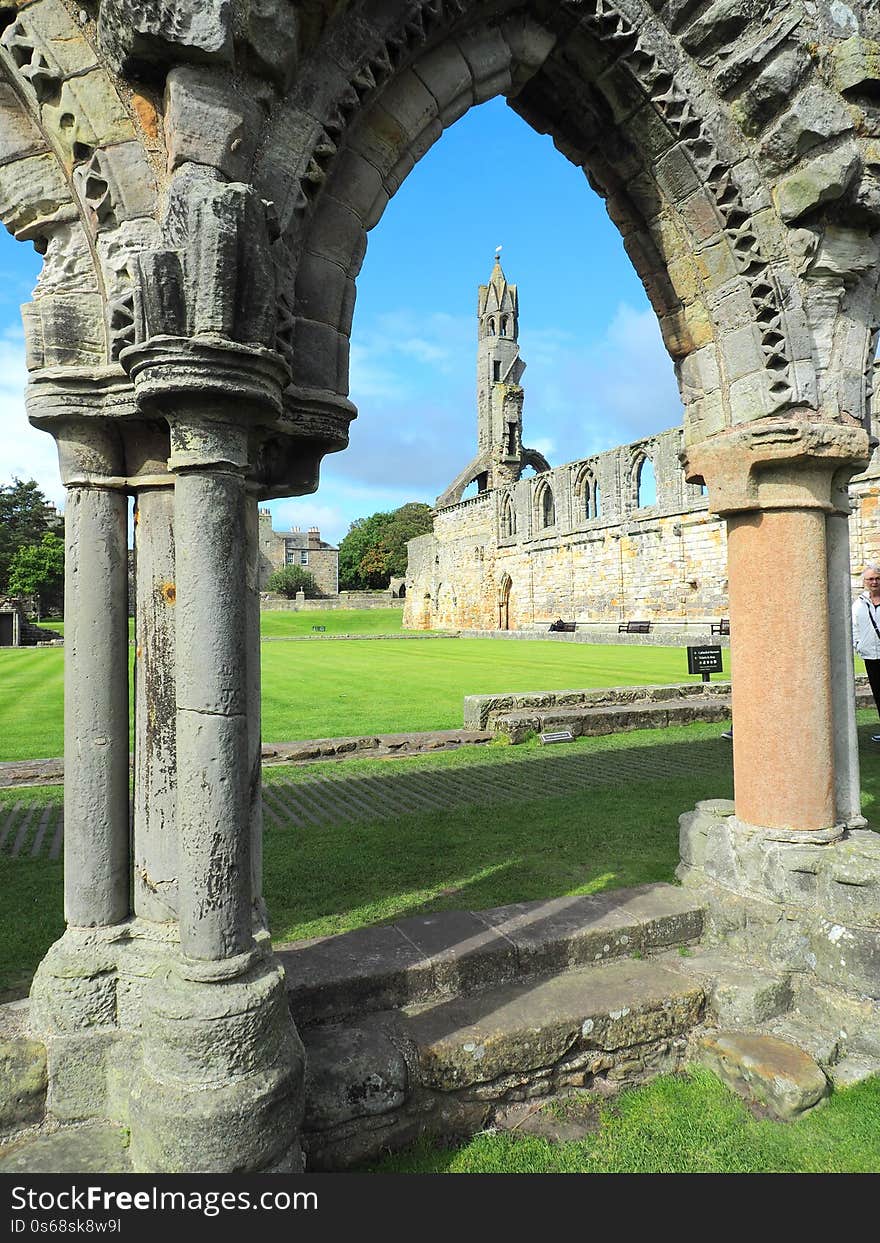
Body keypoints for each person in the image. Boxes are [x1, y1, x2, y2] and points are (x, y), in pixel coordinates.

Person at [852, 565, 880, 742]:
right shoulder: (859, 604)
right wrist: (858, 645)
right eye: (871, 579)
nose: (874, 582)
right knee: (878, 694)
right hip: (870, 656)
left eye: (877, 578)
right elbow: (854, 627)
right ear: (865, 582)